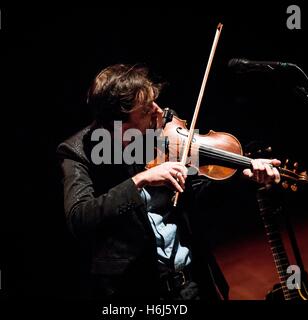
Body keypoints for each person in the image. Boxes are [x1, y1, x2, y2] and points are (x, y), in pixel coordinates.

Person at [57, 64, 280, 301]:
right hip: (136, 291)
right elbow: (79, 217)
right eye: (145, 111)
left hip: (192, 281)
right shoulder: (77, 152)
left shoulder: (159, 135)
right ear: (118, 126)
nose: (159, 111)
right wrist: (139, 181)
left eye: (153, 102)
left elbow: (197, 190)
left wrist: (242, 173)